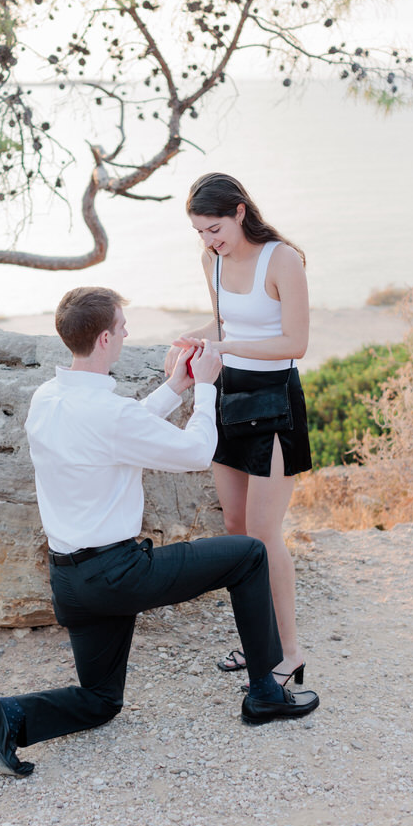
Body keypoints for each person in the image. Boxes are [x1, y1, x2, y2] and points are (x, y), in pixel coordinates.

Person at [0, 286, 318, 777]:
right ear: (107, 338)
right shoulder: (108, 414)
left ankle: (8, 715)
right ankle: (264, 694)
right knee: (248, 555)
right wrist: (205, 388)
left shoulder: (47, 400)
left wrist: (174, 386)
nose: (129, 333)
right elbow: (194, 452)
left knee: (100, 700)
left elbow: (121, 430)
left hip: (70, 582)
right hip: (117, 574)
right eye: (124, 327)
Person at [165, 173, 312, 688]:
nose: (209, 241)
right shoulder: (213, 260)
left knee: (266, 534)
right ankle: (258, 644)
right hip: (229, 398)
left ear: (239, 212)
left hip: (274, 404)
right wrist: (192, 341)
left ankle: (289, 652)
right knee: (236, 529)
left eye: (215, 229)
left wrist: (225, 350)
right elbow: (224, 326)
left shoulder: (283, 259)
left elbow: (295, 342)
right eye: (201, 233)